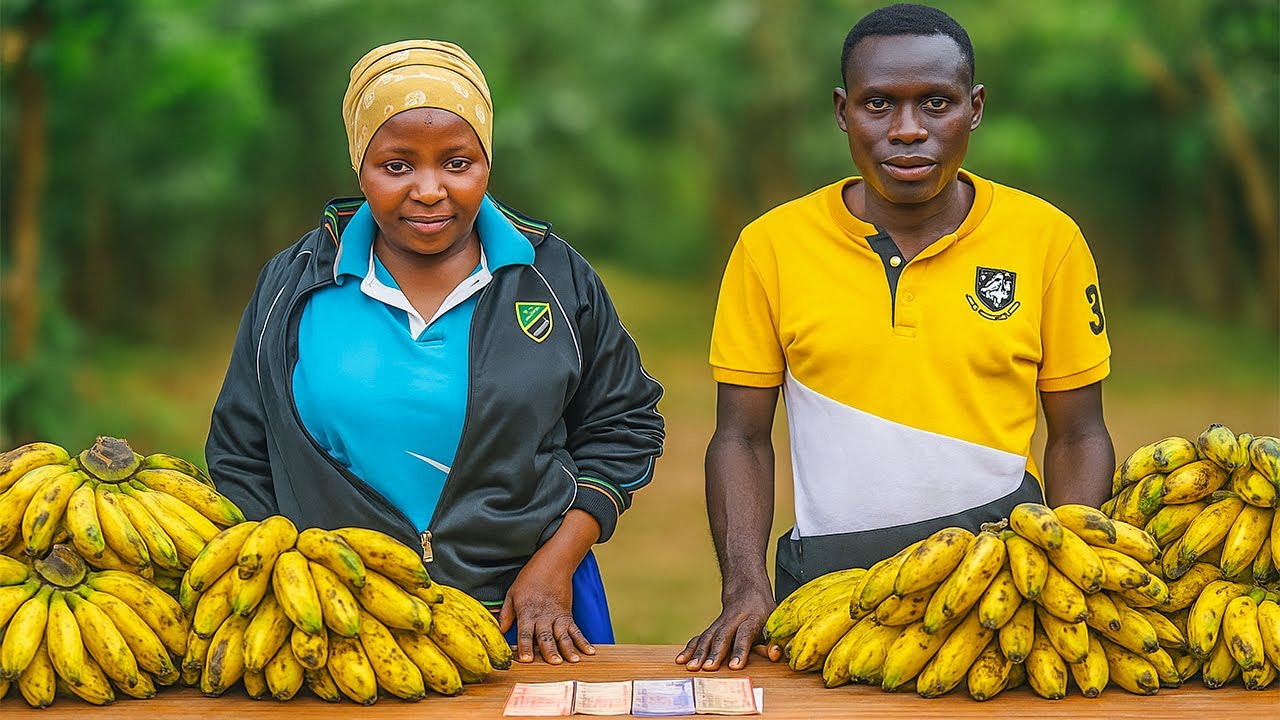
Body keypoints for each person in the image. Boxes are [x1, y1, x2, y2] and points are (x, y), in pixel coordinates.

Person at [678, 3, 1114, 671]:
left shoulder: (1047, 240)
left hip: (998, 581)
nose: (907, 130)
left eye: (935, 102)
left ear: (975, 107)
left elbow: (1080, 433)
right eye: (879, 103)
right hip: (826, 588)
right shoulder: (770, 247)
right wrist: (744, 586)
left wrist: (1062, 571)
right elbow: (739, 437)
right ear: (842, 110)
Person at [205, 39, 665, 665]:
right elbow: (241, 453)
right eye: (397, 165)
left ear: (486, 163)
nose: (429, 189)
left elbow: (623, 425)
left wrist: (557, 563)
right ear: (359, 166)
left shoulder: (551, 277)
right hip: (338, 625)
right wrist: (302, 588)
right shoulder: (293, 286)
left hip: (529, 613)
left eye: (457, 162)